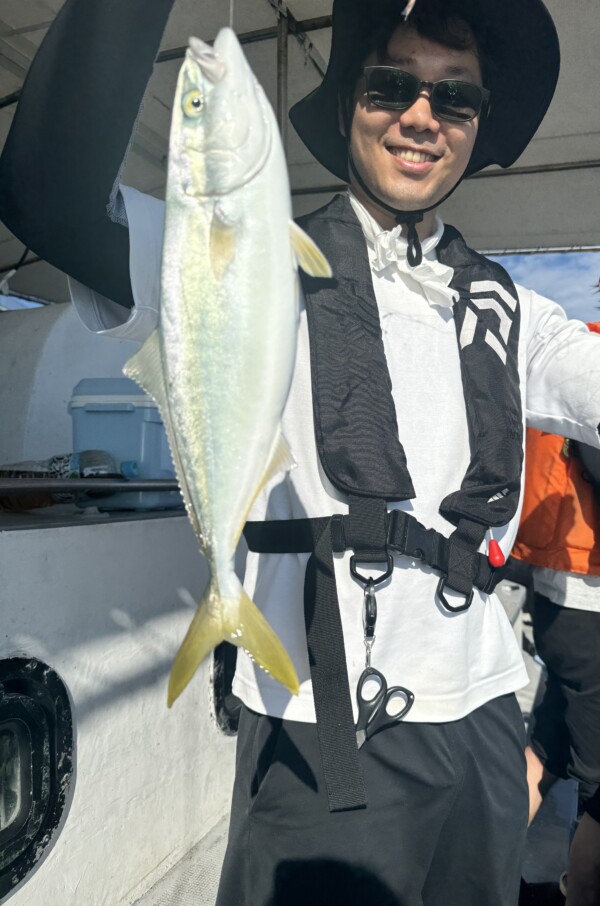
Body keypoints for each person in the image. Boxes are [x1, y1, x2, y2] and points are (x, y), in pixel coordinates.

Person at [1, 1, 599, 903]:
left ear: (476, 124)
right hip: (322, 722)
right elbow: (47, 194)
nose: (421, 115)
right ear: (351, 98)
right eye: (392, 84)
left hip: (484, 721)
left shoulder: (514, 311)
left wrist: (514, 744)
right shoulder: (240, 254)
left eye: (455, 98)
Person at [512, 407, 600, 904]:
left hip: (558, 597)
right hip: (591, 607)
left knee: (547, 748)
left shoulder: (577, 361)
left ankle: (489, 877)